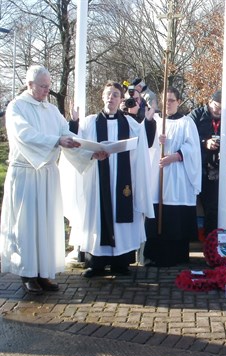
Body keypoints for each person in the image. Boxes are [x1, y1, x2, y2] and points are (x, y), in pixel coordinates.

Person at [0, 65, 82, 294]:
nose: (47, 90)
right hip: (27, 173)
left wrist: (89, 149)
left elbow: (66, 132)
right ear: (30, 84)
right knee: (27, 224)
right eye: (43, 86)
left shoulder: (50, 109)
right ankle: (28, 273)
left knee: (46, 224)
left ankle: (44, 272)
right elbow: (24, 134)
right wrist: (56, 141)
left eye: (49, 86)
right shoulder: (17, 106)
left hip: (46, 173)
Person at [63, 81, 156, 278]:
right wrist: (73, 123)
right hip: (97, 179)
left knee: (120, 216)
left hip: (123, 181)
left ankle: (120, 263)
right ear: (102, 97)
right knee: (97, 215)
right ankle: (96, 263)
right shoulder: (88, 123)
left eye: (115, 94)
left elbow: (143, 146)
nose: (111, 98)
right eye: (108, 94)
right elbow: (74, 144)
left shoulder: (131, 124)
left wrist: (148, 122)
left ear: (121, 99)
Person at [143, 87, 202, 267]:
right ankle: (154, 256)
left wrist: (174, 156)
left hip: (177, 176)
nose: (168, 104)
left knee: (175, 216)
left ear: (178, 102)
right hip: (157, 175)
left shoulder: (187, 123)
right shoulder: (155, 120)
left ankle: (176, 256)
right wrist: (155, 139)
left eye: (171, 100)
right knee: (157, 213)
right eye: (165, 100)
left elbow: (193, 148)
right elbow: (143, 143)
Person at [189, 90, 226, 237]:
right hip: (195, 167)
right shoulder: (196, 115)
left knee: (213, 208)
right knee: (188, 206)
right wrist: (205, 142)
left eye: (222, 108)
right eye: (217, 106)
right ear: (209, 102)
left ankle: (210, 243)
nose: (219, 111)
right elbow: (186, 137)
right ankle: (189, 241)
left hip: (215, 171)